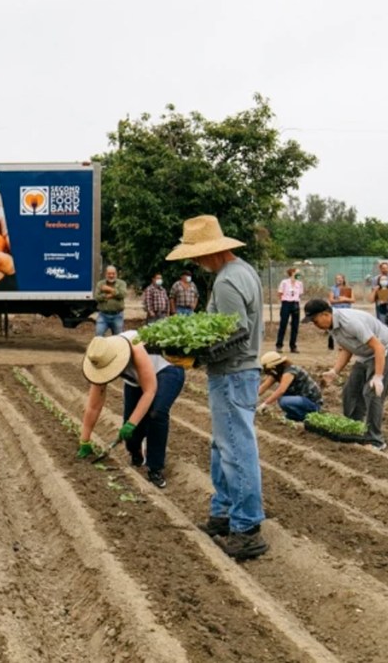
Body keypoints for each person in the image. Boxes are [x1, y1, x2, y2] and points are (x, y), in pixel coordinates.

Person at [166, 215, 267, 560]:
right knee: (223, 446)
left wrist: (195, 356)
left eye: (195, 255)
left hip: (232, 373)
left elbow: (236, 335)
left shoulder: (226, 282)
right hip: (240, 374)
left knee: (237, 448)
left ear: (212, 251)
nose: (193, 262)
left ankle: (247, 528)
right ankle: (223, 513)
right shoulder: (244, 271)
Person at [77, 332, 185, 488]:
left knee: (156, 413)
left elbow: (150, 390)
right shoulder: (100, 357)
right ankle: (136, 452)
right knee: (132, 435)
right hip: (136, 379)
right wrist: (84, 440)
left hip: (167, 369)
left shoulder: (134, 346)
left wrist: (131, 423)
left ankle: (155, 467)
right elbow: (94, 406)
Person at [303, 298, 388, 450]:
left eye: (315, 321)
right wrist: (334, 371)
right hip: (365, 354)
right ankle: (354, 429)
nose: (315, 325)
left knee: (372, 392)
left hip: (386, 351)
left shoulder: (350, 322)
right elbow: (347, 348)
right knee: (350, 390)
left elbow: (379, 347)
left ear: (325, 314)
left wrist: (378, 377)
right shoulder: (332, 327)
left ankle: (376, 440)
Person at [257, 351, 323, 422]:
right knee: (282, 399)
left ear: (274, 366)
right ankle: (294, 416)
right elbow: (263, 387)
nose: (268, 372)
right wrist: (250, 399)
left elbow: (281, 390)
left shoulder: (290, 371)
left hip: (312, 402)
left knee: (283, 401)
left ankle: (305, 417)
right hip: (301, 400)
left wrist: (265, 404)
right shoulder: (277, 372)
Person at [275, 267, 304, 353]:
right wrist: (284, 301)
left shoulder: (300, 283)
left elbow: (300, 294)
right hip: (286, 303)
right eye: (297, 273)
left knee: (295, 325)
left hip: (295, 303)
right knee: (283, 324)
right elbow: (280, 293)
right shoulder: (284, 282)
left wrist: (295, 300)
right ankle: (279, 345)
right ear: (292, 273)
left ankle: (293, 346)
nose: (299, 274)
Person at [94, 265, 126, 336]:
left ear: (116, 274)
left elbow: (123, 295)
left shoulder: (122, 283)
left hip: (117, 316)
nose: (111, 275)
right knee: (98, 336)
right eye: (109, 273)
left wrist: (109, 289)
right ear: (106, 274)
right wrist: (107, 296)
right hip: (103, 316)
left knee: (118, 339)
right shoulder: (100, 284)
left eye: (113, 273)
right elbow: (97, 297)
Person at [327, 274, 354, 350]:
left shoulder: (348, 289)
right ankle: (332, 342)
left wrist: (344, 299)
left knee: (345, 328)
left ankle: (343, 345)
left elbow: (353, 300)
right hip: (336, 310)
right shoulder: (333, 289)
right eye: (337, 278)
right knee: (335, 327)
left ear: (343, 279)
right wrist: (339, 300)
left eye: (340, 278)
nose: (339, 280)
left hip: (347, 310)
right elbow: (331, 300)